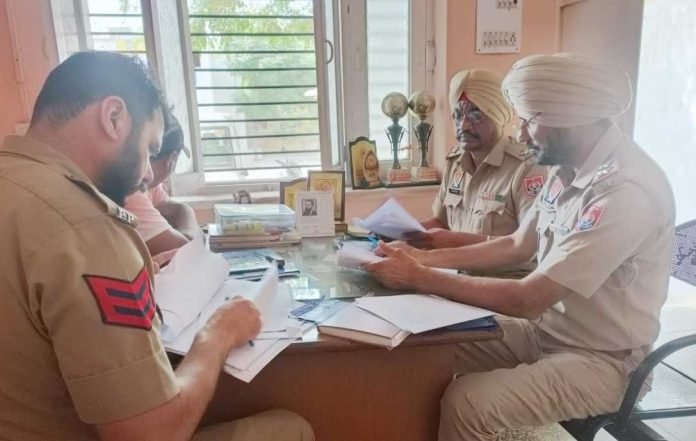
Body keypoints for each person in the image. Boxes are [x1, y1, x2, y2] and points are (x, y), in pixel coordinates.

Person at [0, 51, 313, 441]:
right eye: (149, 148)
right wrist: (217, 335)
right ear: (113, 117)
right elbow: (151, 434)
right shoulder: (87, 226)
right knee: (291, 428)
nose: (148, 172)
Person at [364, 54, 675, 441]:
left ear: (569, 117)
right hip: (545, 333)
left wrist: (421, 276)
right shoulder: (566, 169)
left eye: (529, 120)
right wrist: (422, 257)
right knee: (427, 348)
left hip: (603, 361)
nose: (522, 134)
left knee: (468, 402)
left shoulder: (626, 192)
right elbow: (515, 245)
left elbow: (529, 298)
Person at [408, 69, 547, 278]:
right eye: (457, 116)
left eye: (475, 115)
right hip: (456, 276)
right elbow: (441, 222)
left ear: (498, 115)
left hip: (505, 283)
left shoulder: (527, 167)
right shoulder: (455, 162)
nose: (463, 125)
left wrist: (449, 243)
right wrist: (400, 234)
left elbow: (528, 247)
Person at [124, 110, 199, 258]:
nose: (149, 175)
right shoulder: (132, 191)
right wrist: (189, 230)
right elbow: (186, 253)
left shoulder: (150, 184)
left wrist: (185, 211)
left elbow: (174, 208)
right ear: (172, 159)